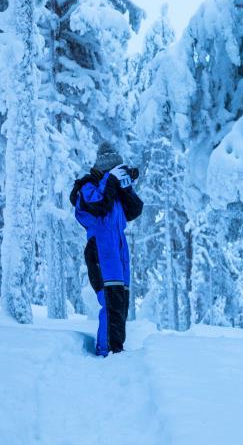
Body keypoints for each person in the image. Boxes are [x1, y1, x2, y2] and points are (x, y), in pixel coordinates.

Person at [70, 142, 143, 356]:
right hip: (100, 247)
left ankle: (116, 348)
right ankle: (107, 350)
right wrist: (111, 180)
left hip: (119, 247)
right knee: (111, 300)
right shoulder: (87, 186)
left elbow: (135, 210)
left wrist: (125, 186)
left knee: (121, 300)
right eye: (115, 170)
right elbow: (98, 206)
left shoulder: (114, 190)